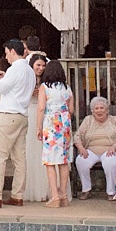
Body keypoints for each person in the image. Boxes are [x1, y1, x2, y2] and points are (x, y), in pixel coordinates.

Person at [0, 40, 35, 208]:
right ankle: (17, 195)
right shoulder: (29, 70)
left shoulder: (15, 69)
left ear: (13, 51)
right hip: (22, 116)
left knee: (0, 156)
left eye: (7, 53)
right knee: (19, 158)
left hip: (9, 115)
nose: (6, 57)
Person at [72, 96, 116, 198]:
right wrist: (81, 148)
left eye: (102, 108)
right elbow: (77, 136)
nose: (99, 111)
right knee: (81, 161)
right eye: (96, 108)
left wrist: (115, 146)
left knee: (111, 162)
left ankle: (111, 192)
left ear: (107, 110)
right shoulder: (88, 120)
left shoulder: (114, 120)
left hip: (110, 151)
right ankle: (86, 190)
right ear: (92, 111)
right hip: (90, 151)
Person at [39, 60, 73, 208]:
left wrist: (38, 127)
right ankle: (63, 195)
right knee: (63, 160)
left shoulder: (45, 87)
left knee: (50, 161)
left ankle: (54, 196)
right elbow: (71, 110)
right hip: (65, 125)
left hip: (51, 124)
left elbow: (41, 108)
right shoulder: (67, 88)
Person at [23, 51, 50, 202]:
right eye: (38, 65)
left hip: (43, 115)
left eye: (43, 66)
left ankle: (47, 188)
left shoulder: (47, 81)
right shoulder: (27, 79)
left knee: (43, 150)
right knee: (30, 150)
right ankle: (32, 188)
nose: (40, 68)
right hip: (30, 112)